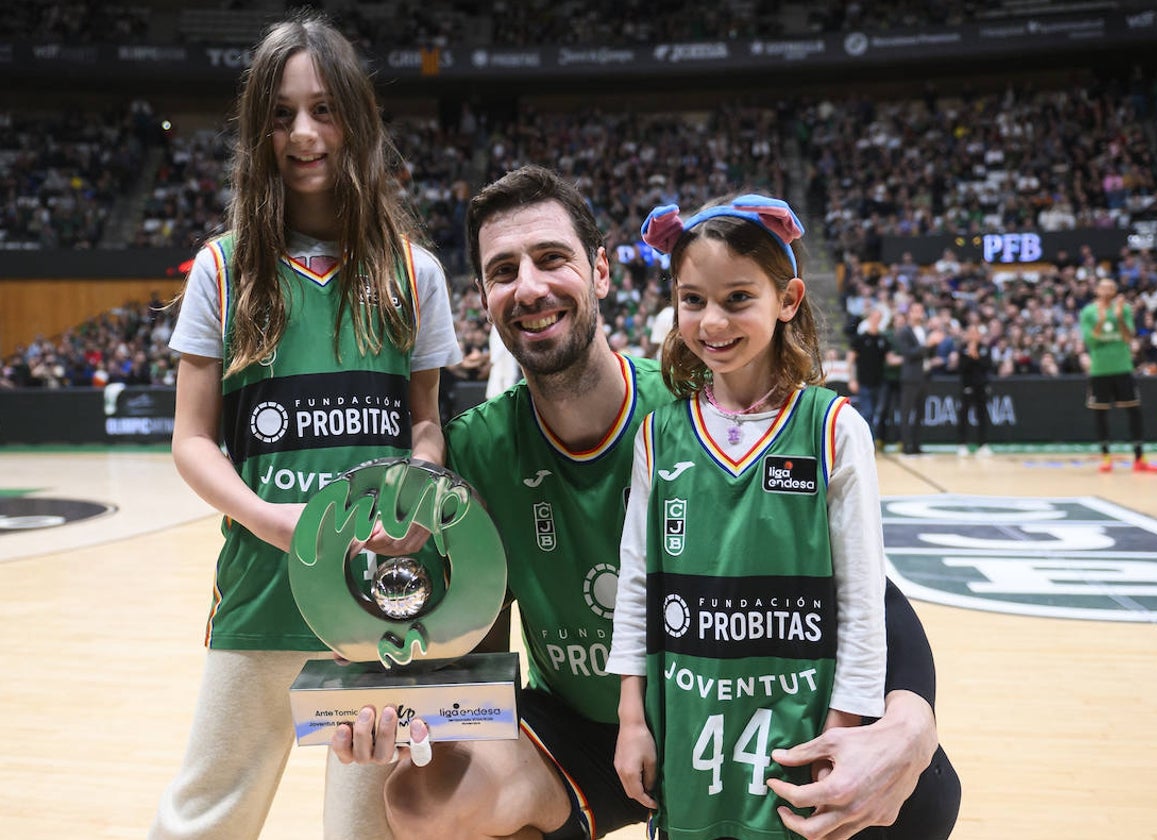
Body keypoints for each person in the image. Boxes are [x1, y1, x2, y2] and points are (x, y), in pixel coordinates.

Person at [332, 166, 960, 840]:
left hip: (735, 708)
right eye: (503, 270)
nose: (531, 287)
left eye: (551, 259)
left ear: (601, 271)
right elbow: (472, 651)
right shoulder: (477, 451)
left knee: (919, 794)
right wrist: (390, 696)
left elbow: (865, 592)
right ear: (482, 294)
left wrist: (911, 721)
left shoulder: (696, 409)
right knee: (425, 802)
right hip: (583, 730)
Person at [152, 14, 461, 840]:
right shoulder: (223, 265)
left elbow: (425, 425)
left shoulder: (413, 270)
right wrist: (271, 520)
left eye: (323, 109)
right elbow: (191, 439)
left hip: (383, 600)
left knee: (369, 828)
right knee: (206, 816)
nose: (303, 133)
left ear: (355, 120)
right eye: (281, 114)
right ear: (258, 132)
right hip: (260, 590)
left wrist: (415, 494)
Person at [608, 195, 886, 838]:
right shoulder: (659, 435)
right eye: (693, 299)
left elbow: (863, 602)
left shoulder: (835, 429)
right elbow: (635, 590)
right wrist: (631, 719)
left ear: (787, 300)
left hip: (801, 726)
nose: (712, 321)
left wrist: (843, 733)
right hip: (685, 719)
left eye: (737, 298)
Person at [1079, 277, 1157, 473]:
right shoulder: (1089, 312)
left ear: (1115, 291)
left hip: (1123, 367)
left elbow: (1127, 337)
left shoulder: (1123, 309)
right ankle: (1106, 457)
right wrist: (1101, 319)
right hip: (1100, 370)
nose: (1107, 291)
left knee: (1134, 411)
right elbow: (1092, 341)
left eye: (1111, 288)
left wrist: (1119, 318)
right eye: (1103, 287)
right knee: (1100, 413)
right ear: (1097, 290)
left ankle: (1139, 458)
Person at [893, 302, 943, 456]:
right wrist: (928, 344)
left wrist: (935, 344)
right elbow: (908, 353)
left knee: (921, 413)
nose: (918, 313)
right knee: (907, 413)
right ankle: (906, 446)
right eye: (915, 310)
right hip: (910, 377)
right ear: (909, 313)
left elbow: (929, 353)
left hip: (925, 376)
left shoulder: (926, 330)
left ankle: (917, 445)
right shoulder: (904, 332)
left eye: (921, 310)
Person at [846, 305, 890, 447]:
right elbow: (850, 360)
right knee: (867, 413)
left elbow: (890, 359)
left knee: (878, 413)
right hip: (864, 381)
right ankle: (866, 443)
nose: (876, 320)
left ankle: (875, 441)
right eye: (874, 317)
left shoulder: (883, 339)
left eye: (879, 318)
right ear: (870, 318)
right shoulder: (860, 339)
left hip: (879, 382)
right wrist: (852, 379)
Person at [956, 324, 993, 457]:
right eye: (970, 332)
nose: (973, 335)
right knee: (963, 416)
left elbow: (987, 365)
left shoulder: (985, 349)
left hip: (981, 387)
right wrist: (970, 356)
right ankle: (962, 445)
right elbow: (961, 368)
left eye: (975, 332)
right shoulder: (962, 349)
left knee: (982, 416)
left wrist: (975, 356)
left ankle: (983, 445)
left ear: (979, 335)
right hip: (967, 387)